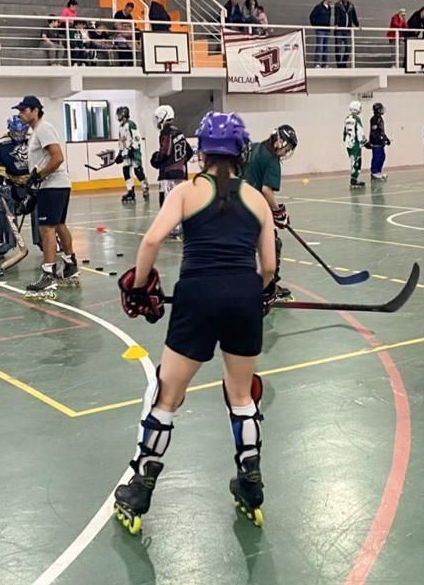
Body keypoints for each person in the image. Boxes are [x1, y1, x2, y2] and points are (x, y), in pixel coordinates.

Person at [112, 111, 277, 534]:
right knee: (242, 395)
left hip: (197, 295)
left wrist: (140, 284)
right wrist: (256, 293)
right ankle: (250, 481)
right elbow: (270, 267)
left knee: (167, 395)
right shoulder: (258, 199)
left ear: (202, 152)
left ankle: (141, 486)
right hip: (242, 294)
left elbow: (151, 240)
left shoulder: (187, 191)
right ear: (241, 153)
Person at [14, 96, 80, 299]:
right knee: (59, 224)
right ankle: (70, 265)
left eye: (24, 110)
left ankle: (48, 274)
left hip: (52, 185)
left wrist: (39, 175)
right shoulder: (38, 131)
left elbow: (58, 157)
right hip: (55, 185)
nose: (20, 114)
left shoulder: (43, 129)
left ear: (35, 111)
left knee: (47, 228)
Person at [243, 124, 298, 302]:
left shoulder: (255, 147)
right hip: (252, 208)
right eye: (287, 146)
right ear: (279, 142)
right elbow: (267, 191)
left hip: (237, 203)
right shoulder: (272, 161)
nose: (287, 151)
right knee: (272, 243)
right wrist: (278, 212)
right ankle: (268, 286)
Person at [0, 114, 33, 263]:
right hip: (13, 185)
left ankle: (48, 240)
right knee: (1, 200)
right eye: (16, 132)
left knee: (44, 204)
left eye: (22, 132)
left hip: (34, 184)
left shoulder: (34, 141)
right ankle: (3, 240)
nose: (19, 135)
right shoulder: (1, 146)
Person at [151, 104, 192, 237]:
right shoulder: (179, 132)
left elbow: (165, 152)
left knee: (166, 200)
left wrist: (156, 160)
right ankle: (180, 226)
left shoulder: (166, 132)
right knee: (179, 200)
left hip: (168, 174)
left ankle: (172, 227)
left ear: (163, 117)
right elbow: (189, 152)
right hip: (181, 172)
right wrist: (180, 163)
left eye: (158, 118)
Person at [117, 105, 150, 204]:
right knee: (126, 170)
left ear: (123, 115)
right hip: (126, 153)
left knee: (138, 171)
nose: (117, 117)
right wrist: (120, 152)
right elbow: (121, 141)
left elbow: (136, 138)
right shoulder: (121, 127)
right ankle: (130, 191)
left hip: (134, 152)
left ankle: (145, 188)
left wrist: (132, 148)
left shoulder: (130, 124)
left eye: (119, 114)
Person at [333, 0, 360, 68]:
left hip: (347, 30)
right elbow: (336, 15)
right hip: (339, 29)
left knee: (348, 47)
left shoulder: (351, 6)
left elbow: (354, 16)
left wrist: (357, 25)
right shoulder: (338, 5)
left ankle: (343, 63)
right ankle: (339, 64)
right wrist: (336, 24)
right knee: (338, 48)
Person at [344, 99, 366, 188]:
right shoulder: (356, 118)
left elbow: (344, 131)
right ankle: (353, 180)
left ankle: (354, 180)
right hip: (355, 142)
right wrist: (365, 142)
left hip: (348, 142)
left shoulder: (347, 118)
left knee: (353, 160)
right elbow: (360, 131)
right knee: (357, 161)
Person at [309, 0, 334, 67]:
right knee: (319, 47)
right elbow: (311, 17)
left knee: (325, 48)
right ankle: (316, 63)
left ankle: (324, 64)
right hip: (320, 30)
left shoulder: (329, 8)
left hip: (327, 30)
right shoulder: (319, 7)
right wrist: (316, 26)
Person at [369, 101, 391, 180]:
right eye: (381, 109)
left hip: (381, 142)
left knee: (382, 157)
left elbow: (381, 130)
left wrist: (386, 138)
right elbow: (374, 132)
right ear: (378, 110)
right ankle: (374, 172)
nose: (382, 110)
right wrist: (379, 139)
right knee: (377, 157)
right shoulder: (374, 119)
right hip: (376, 142)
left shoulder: (380, 118)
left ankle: (378, 171)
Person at [113, 1, 138, 65]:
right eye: (128, 10)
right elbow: (117, 26)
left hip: (127, 34)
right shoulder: (118, 14)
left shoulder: (130, 16)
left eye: (130, 11)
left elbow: (132, 25)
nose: (129, 12)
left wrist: (125, 25)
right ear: (125, 7)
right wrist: (126, 25)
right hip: (119, 33)